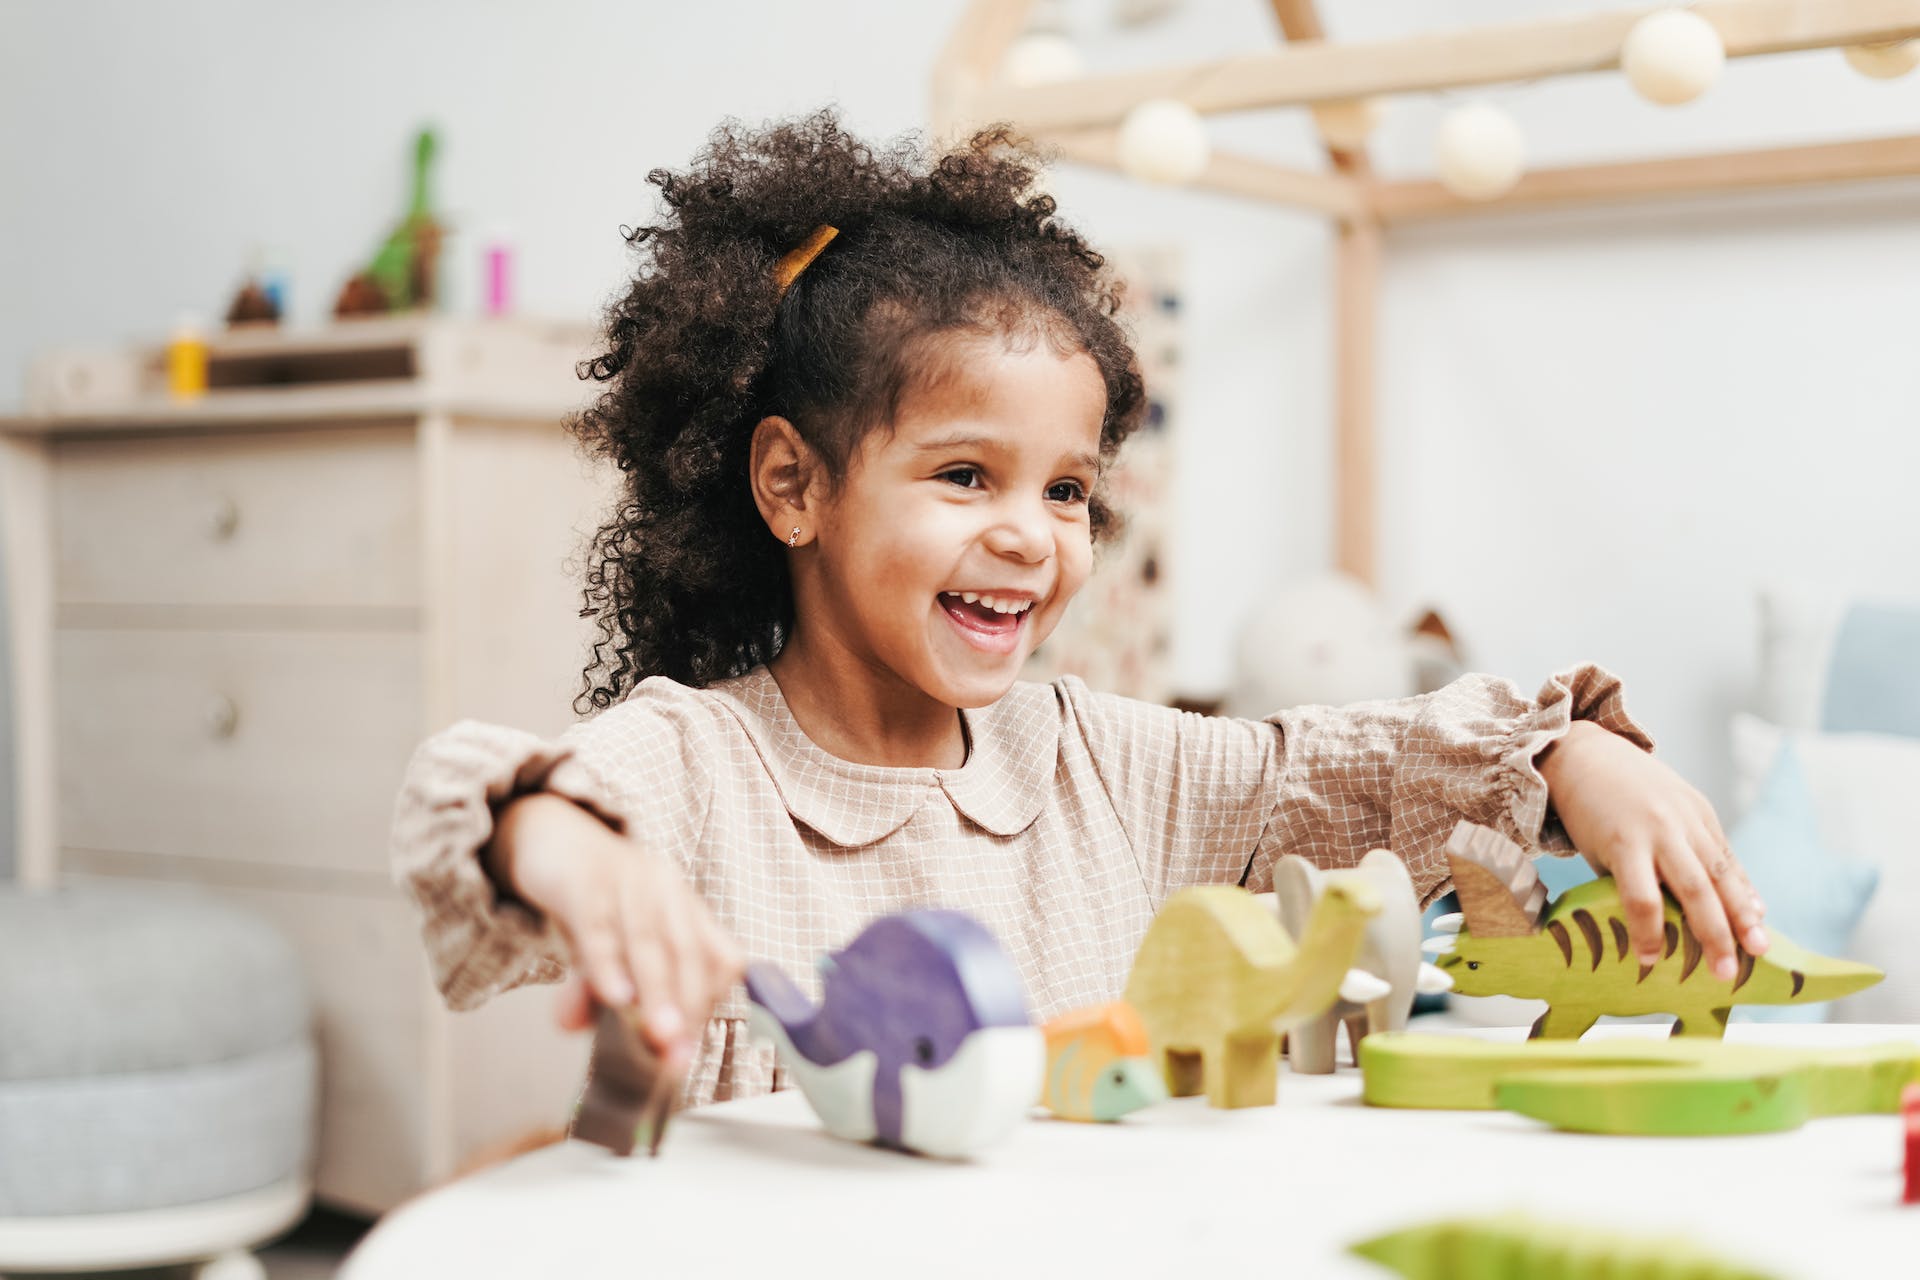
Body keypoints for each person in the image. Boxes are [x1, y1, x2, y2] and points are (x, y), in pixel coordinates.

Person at [391, 110, 1766, 1109]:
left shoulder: (1106, 763)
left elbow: (1351, 769)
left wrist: (1568, 753)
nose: (1028, 537)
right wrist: (570, 851)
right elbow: (475, 800)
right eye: (964, 473)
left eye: (1066, 492)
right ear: (794, 486)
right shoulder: (699, 766)